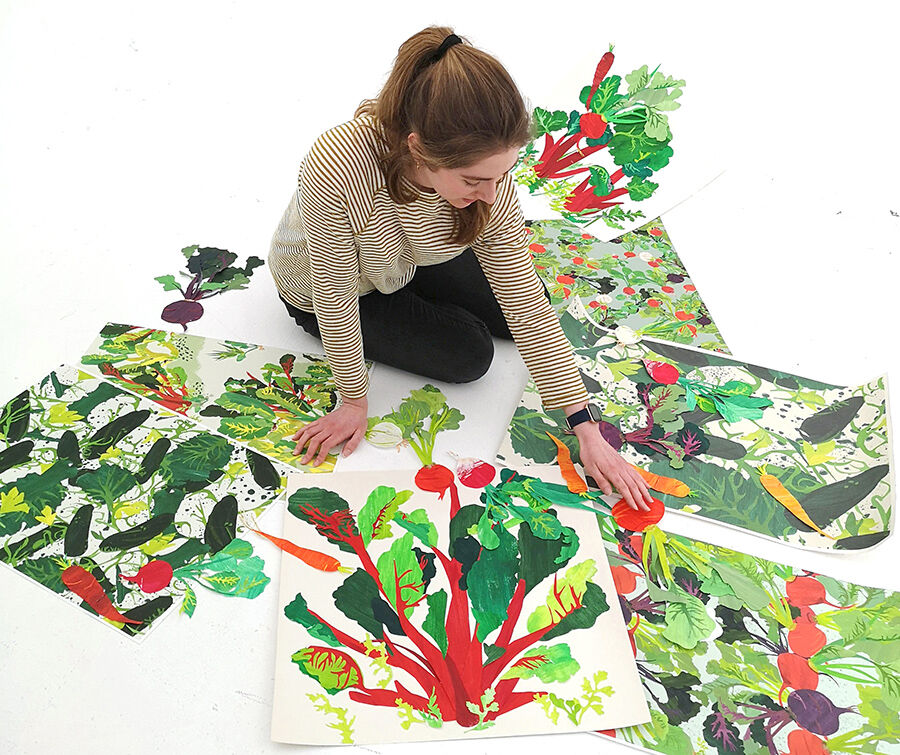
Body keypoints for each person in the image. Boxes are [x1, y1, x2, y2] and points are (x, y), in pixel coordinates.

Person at [268, 26, 652, 511]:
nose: (492, 194)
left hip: (406, 257)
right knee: (471, 354)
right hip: (329, 284)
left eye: (502, 175)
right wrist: (353, 402)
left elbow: (525, 298)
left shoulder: (486, 180)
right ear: (417, 149)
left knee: (523, 313)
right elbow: (334, 292)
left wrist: (586, 427)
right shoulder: (338, 163)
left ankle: (423, 293)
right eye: (475, 180)